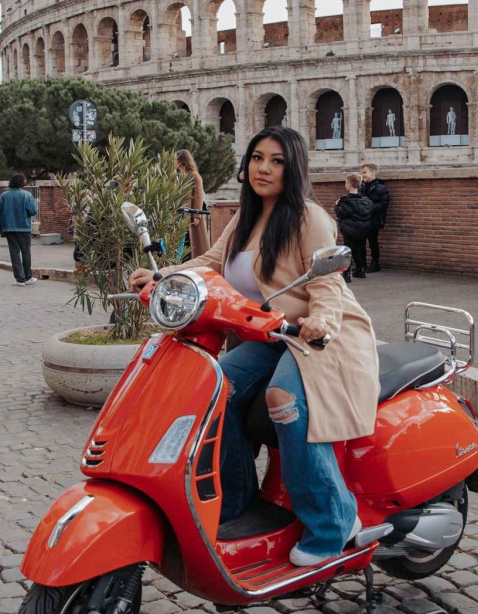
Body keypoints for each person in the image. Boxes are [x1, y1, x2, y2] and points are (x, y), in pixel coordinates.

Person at [128, 126, 379, 567]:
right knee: (212, 387)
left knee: (283, 398)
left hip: (317, 337)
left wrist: (320, 320)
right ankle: (238, 499)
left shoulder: (308, 217)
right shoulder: (244, 218)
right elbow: (210, 265)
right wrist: (164, 276)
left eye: (277, 160)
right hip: (269, 334)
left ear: (293, 168)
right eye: (258, 157)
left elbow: (327, 280)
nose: (263, 168)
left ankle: (335, 521)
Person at [0, 174, 40, 286]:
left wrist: (2, 230)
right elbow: (33, 211)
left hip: (9, 228)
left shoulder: (4, 196)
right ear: (22, 183)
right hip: (24, 227)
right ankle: (28, 276)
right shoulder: (27, 195)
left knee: (14, 253)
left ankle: (19, 279)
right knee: (26, 251)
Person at [333, 172, 373, 280]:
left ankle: (346, 275)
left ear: (349, 184)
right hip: (363, 229)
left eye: (346, 182)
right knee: (359, 250)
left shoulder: (345, 200)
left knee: (347, 251)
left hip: (349, 229)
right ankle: (361, 271)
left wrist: (336, 206)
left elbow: (341, 213)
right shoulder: (366, 201)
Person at [176, 150, 211, 259]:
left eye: (175, 159)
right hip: (179, 214)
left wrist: (196, 215)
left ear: (182, 160)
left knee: (193, 242)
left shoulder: (194, 175)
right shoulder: (176, 176)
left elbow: (198, 196)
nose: (173, 161)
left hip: (190, 215)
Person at [359, 162, 390, 272]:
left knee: (372, 242)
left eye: (364, 172)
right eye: (362, 172)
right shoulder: (361, 187)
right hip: (362, 219)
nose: (362, 175)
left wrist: (369, 206)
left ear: (373, 172)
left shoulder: (381, 188)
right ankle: (361, 264)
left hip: (373, 220)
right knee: (360, 242)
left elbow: (383, 205)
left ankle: (375, 262)